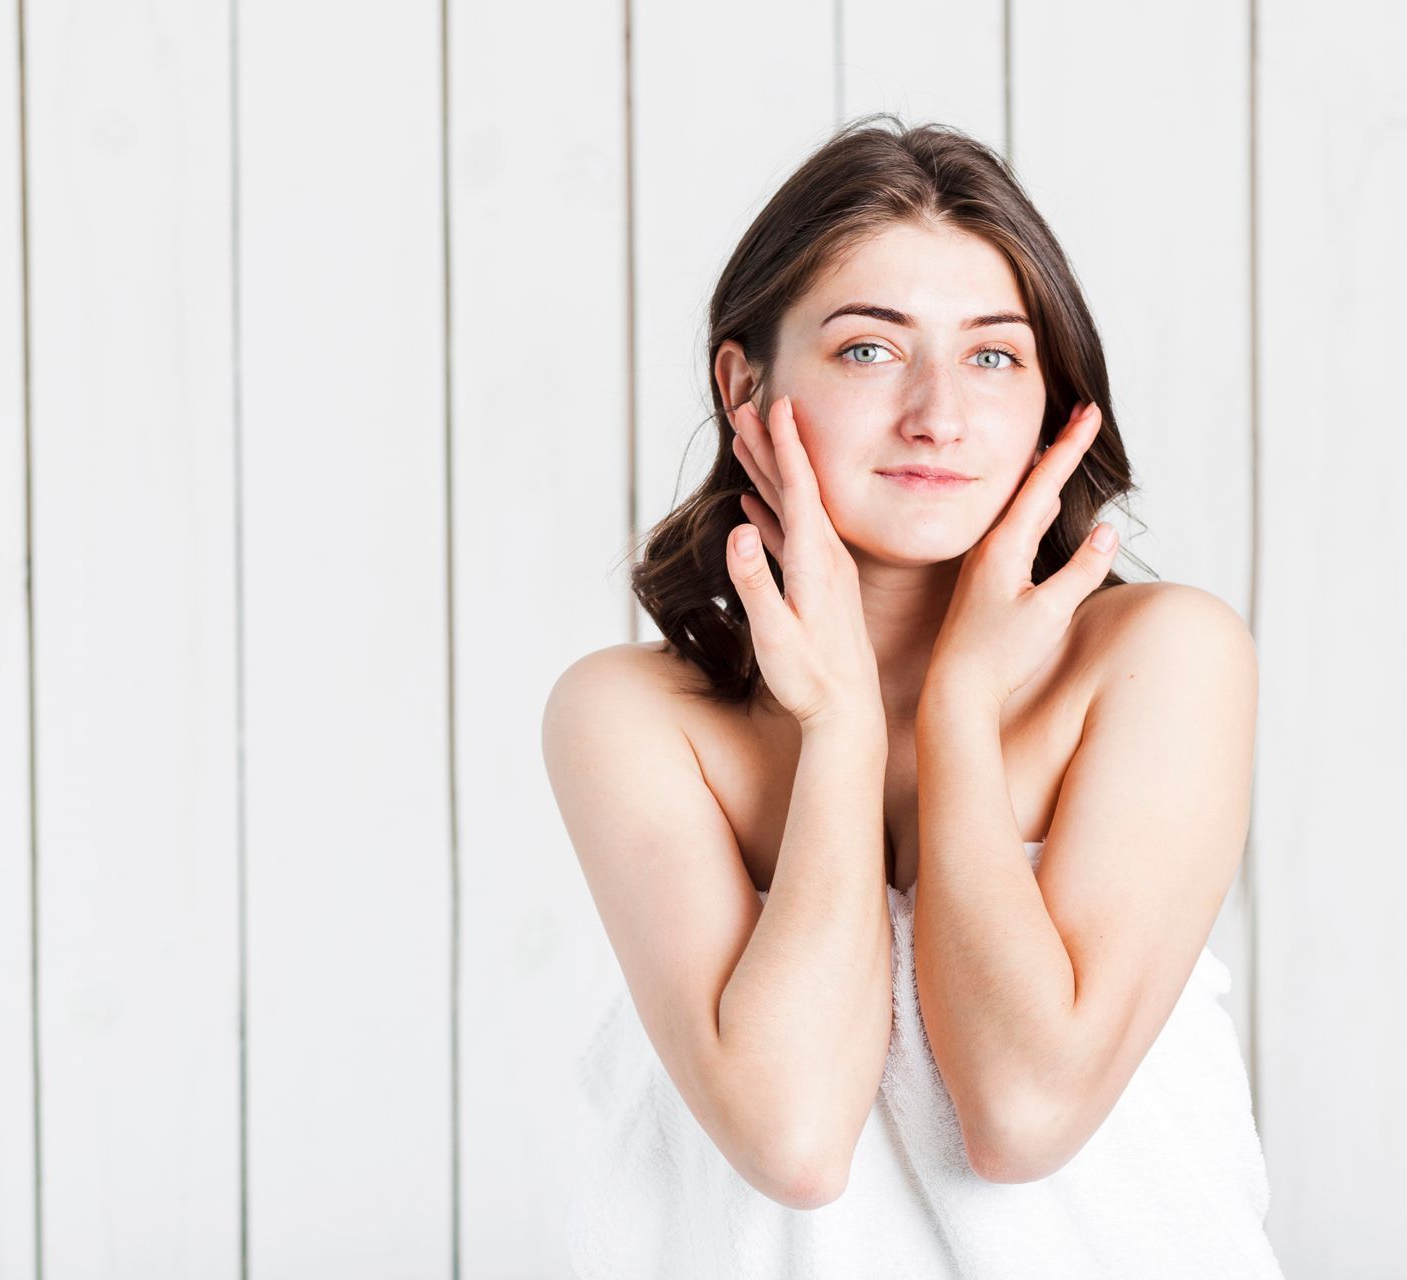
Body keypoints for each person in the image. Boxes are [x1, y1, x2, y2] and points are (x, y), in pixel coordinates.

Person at [542, 114, 1284, 1277]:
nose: (939, 414)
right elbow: (791, 1138)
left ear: (1052, 398)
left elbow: (1025, 1112)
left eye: (994, 355)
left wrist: (955, 711)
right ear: (744, 381)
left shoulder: (1163, 658)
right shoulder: (631, 718)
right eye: (869, 350)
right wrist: (840, 726)